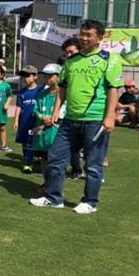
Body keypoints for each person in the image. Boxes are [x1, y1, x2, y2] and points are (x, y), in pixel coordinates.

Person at [30, 19, 123, 214]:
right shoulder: (71, 61)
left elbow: (113, 90)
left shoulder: (110, 59)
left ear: (100, 37)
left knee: (93, 165)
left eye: (89, 35)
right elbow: (62, 88)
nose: (84, 38)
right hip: (69, 120)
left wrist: (110, 117)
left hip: (95, 120)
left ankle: (90, 202)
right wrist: (56, 111)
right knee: (55, 158)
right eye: (82, 34)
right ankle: (54, 198)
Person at [32, 63, 63, 193]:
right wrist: (41, 116)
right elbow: (35, 109)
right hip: (42, 134)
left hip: (56, 132)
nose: (47, 79)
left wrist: (47, 122)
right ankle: (46, 183)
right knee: (43, 159)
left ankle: (56, 188)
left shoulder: (63, 93)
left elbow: (62, 112)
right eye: (45, 76)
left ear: (59, 76)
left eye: (51, 76)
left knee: (55, 161)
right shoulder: (42, 94)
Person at [59, 37, 84, 179]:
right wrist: (56, 111)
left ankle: (94, 174)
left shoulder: (94, 65)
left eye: (71, 52)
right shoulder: (67, 67)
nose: (68, 56)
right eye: (66, 53)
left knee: (90, 150)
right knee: (70, 148)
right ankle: (75, 169)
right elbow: (61, 90)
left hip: (90, 117)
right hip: (69, 115)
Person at [13, 65, 41, 173]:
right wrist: (16, 121)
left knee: (33, 142)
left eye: (28, 75)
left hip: (36, 121)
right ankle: (27, 161)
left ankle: (31, 162)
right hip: (24, 122)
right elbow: (19, 107)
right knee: (25, 142)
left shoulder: (41, 90)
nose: (25, 78)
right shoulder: (22, 92)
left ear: (35, 76)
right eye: (23, 76)